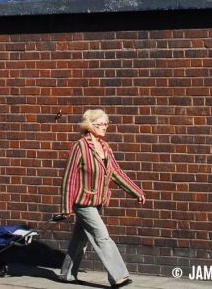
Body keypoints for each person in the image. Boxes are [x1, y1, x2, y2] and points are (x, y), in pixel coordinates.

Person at [58, 109, 146, 287]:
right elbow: (69, 178)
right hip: (82, 202)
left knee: (80, 239)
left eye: (106, 124)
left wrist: (136, 191)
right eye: (101, 124)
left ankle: (67, 274)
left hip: (97, 201)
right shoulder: (80, 147)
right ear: (90, 126)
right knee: (102, 236)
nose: (105, 127)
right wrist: (66, 207)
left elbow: (117, 173)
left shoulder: (105, 147)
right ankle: (119, 276)